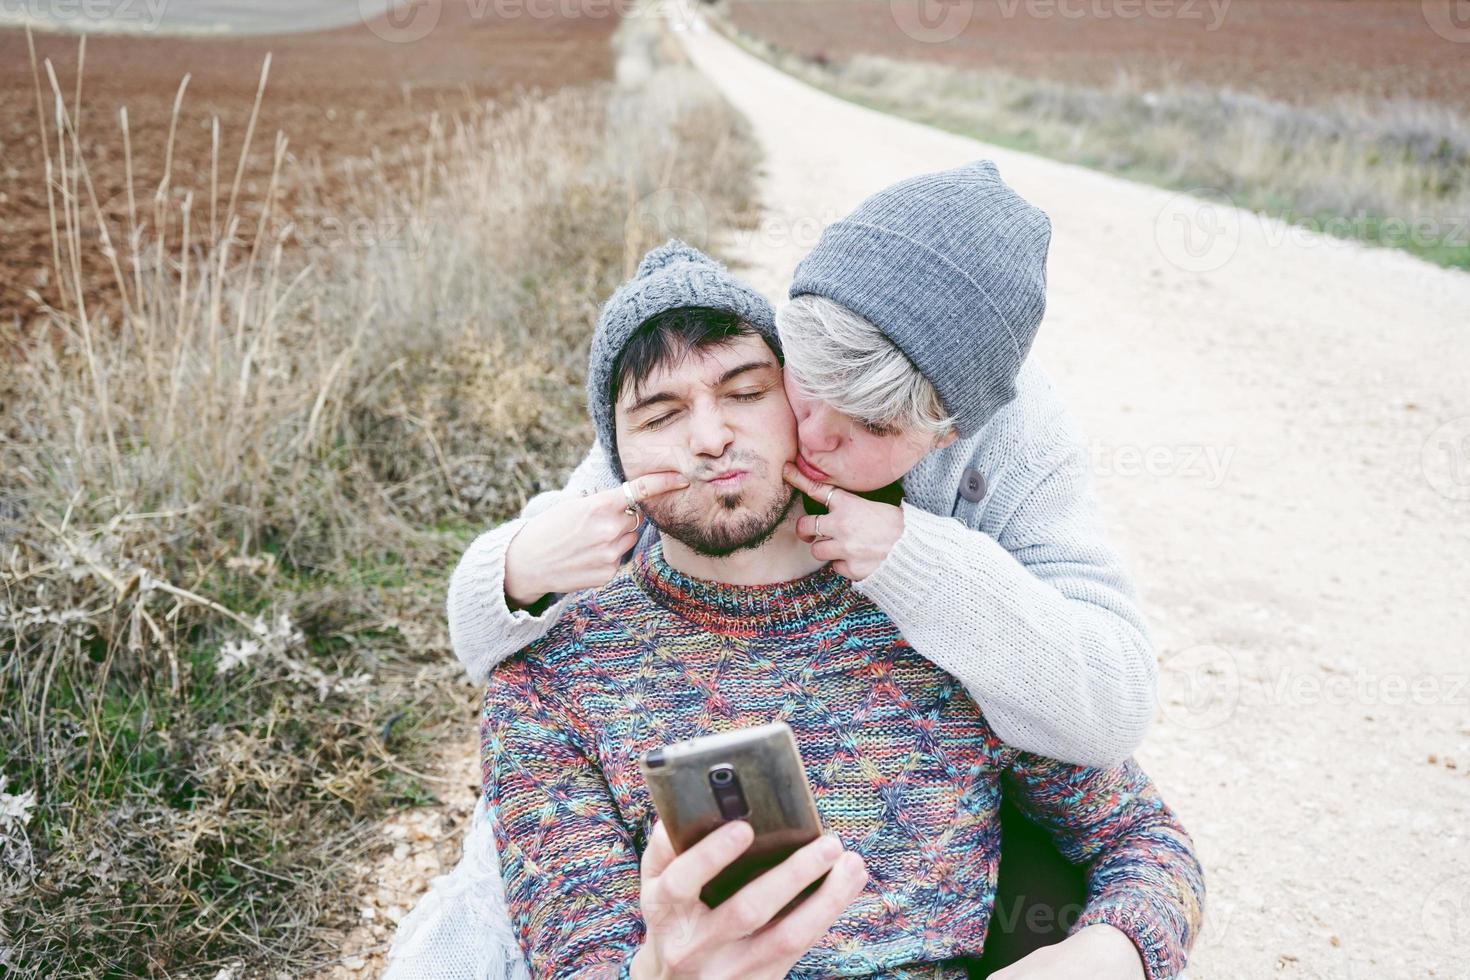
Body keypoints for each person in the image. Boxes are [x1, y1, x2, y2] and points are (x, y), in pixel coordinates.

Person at [476, 290, 1204, 978]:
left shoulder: (935, 609)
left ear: (801, 404)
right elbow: (577, 953)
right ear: (616, 460)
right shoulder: (549, 674)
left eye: (745, 391)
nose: (709, 437)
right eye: (660, 414)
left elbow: (1142, 839)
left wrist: (1107, 954)